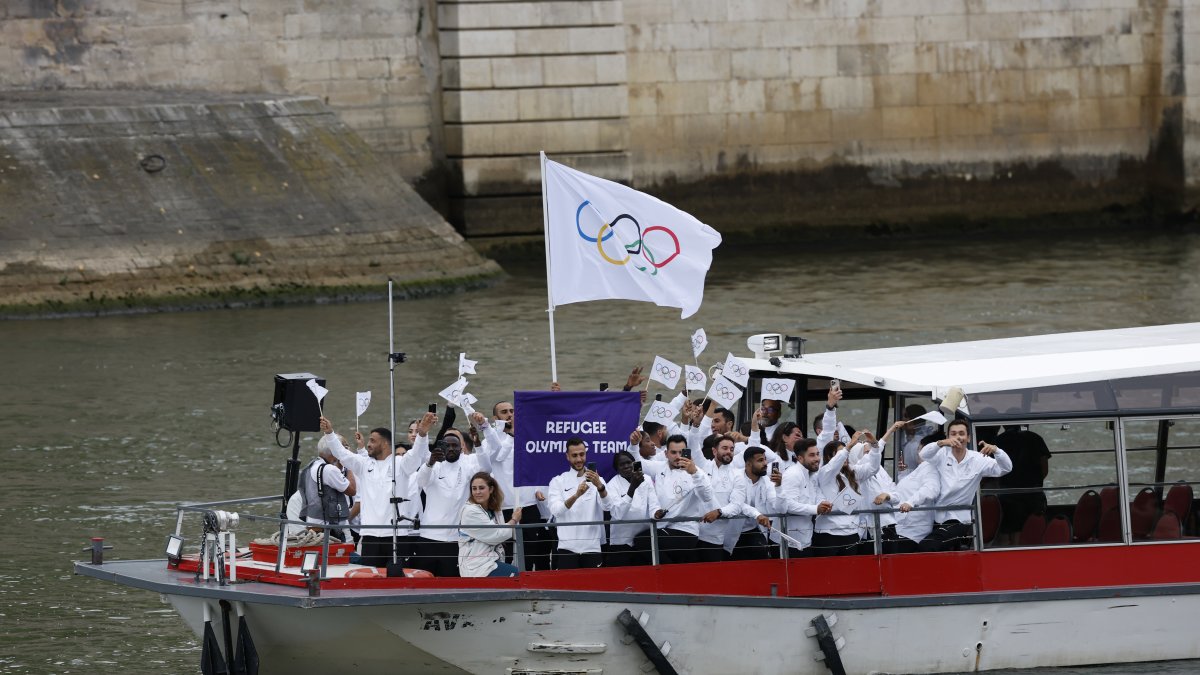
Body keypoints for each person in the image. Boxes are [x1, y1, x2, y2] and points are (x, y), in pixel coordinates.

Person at [321, 414, 432, 569]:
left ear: (385, 444)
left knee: (396, 580)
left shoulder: (401, 464)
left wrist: (422, 434)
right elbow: (341, 454)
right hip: (370, 536)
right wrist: (329, 433)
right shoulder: (364, 464)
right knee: (370, 580)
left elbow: (417, 455)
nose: (369, 444)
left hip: (396, 536)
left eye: (373, 441)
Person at [918, 418, 1013, 552]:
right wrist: (941, 443)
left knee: (927, 546)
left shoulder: (978, 459)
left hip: (959, 519)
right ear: (948, 436)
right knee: (908, 545)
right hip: (934, 517)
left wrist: (997, 451)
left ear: (968, 438)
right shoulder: (941, 455)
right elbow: (923, 454)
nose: (958, 437)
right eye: (954, 433)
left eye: (961, 433)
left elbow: (1006, 468)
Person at [414, 429, 481, 576]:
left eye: (454, 445)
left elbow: (486, 468)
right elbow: (420, 481)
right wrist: (430, 462)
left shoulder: (468, 466)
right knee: (423, 583)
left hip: (455, 540)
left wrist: (478, 443)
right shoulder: (433, 466)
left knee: (451, 584)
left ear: (461, 448)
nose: (451, 448)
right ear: (441, 447)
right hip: (428, 537)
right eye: (447, 445)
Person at [547, 437, 611, 569]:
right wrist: (576, 495)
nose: (579, 459)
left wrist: (600, 486)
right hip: (566, 547)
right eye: (574, 455)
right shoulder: (557, 481)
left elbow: (608, 506)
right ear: (567, 456)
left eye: (582, 454)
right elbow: (556, 511)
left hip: (592, 547)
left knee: (594, 588)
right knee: (567, 589)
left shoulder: (598, 480)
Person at [651, 434, 714, 564]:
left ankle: (669, 574)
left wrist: (694, 473)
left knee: (644, 541)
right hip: (663, 526)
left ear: (688, 452)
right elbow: (636, 460)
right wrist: (634, 444)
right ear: (666, 453)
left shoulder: (697, 472)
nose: (678, 456)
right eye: (673, 452)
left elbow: (707, 497)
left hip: (686, 529)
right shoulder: (659, 468)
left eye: (681, 452)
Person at [813, 438, 880, 556]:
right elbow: (834, 466)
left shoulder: (853, 472)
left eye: (846, 453)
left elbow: (873, 468)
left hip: (851, 532)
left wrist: (875, 446)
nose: (845, 455)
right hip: (829, 533)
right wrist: (848, 446)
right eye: (840, 453)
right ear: (829, 457)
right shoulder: (824, 473)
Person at [706, 446, 776, 560]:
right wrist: (757, 514)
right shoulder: (734, 476)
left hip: (753, 530)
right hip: (730, 530)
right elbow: (739, 504)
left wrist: (779, 487)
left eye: (765, 459)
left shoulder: (766, 480)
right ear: (748, 464)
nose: (765, 463)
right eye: (760, 460)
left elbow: (775, 502)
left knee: (761, 553)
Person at [995, 415, 1051, 545]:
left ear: (1003, 425)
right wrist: (1033, 482)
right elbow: (1044, 468)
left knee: (1007, 530)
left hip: (1007, 493)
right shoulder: (1036, 438)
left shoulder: (998, 441)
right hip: (1033, 492)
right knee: (1032, 530)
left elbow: (994, 470)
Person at [458, 472, 522, 578]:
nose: (477, 492)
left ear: (491, 489)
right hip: (477, 566)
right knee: (518, 576)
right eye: (474, 488)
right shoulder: (470, 511)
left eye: (481, 488)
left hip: (491, 561)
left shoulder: (494, 509)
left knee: (520, 575)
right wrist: (514, 520)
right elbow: (497, 535)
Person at [776, 439, 831, 557]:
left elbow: (817, 494)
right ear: (800, 458)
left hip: (805, 538)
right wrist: (816, 509)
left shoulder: (813, 473)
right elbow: (788, 505)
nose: (817, 458)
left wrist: (823, 504)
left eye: (817, 454)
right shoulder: (793, 474)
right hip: (788, 541)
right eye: (812, 455)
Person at [873, 459, 942, 553]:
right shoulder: (919, 469)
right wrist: (903, 473)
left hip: (911, 531)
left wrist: (911, 502)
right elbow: (906, 490)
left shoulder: (930, 468)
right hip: (900, 527)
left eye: (918, 448)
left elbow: (931, 489)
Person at [605, 450, 660, 567]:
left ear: (634, 463)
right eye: (622, 464)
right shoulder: (612, 485)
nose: (626, 466)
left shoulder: (647, 479)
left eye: (629, 462)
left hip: (643, 540)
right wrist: (633, 487)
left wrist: (657, 513)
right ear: (617, 468)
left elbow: (653, 505)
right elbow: (618, 513)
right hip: (621, 542)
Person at [300, 436, 357, 541]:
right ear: (333, 450)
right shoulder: (329, 470)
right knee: (350, 556)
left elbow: (334, 478)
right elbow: (352, 490)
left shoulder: (313, 465)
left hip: (314, 525)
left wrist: (340, 462)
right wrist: (348, 462)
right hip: (329, 530)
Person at [696, 434, 742, 562]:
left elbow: (737, 506)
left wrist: (719, 512)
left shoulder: (737, 475)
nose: (729, 452)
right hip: (693, 532)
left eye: (732, 449)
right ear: (714, 451)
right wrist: (695, 425)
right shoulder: (703, 466)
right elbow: (693, 445)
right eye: (725, 448)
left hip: (714, 537)